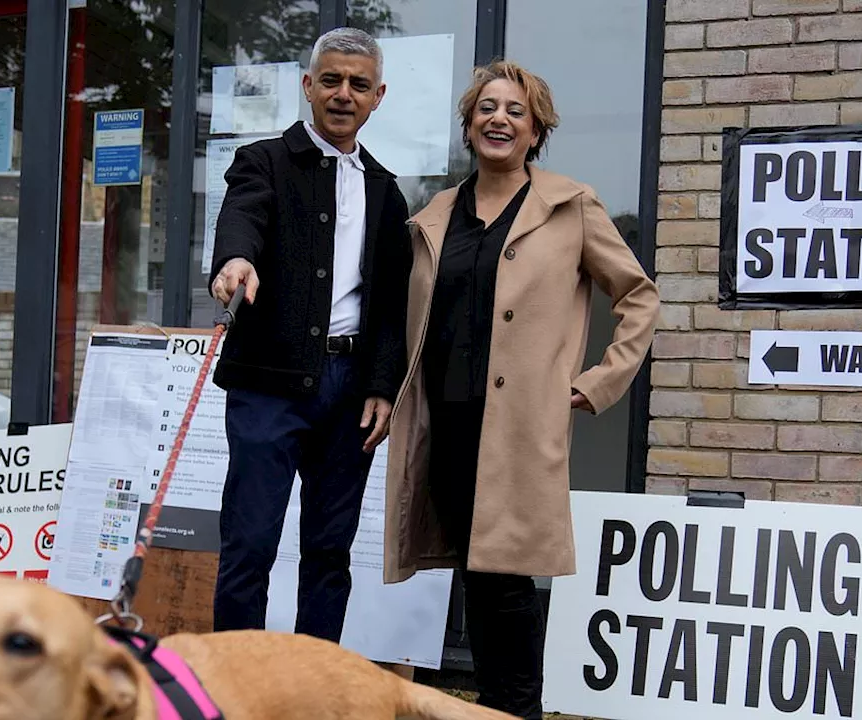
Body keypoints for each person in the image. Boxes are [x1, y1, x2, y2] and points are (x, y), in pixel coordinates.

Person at [382, 60, 661, 718]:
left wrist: (599, 382)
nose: (498, 119)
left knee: (505, 584)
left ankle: (516, 709)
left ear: (536, 131)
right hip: (446, 425)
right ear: (468, 125)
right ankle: (496, 706)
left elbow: (639, 297)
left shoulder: (571, 206)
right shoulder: (434, 218)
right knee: (475, 580)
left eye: (515, 110)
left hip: (516, 430)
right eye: (486, 108)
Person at [207, 28, 412, 643]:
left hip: (349, 393)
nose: (343, 94)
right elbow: (242, 213)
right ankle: (236, 685)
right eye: (331, 80)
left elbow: (391, 304)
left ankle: (313, 686)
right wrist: (235, 261)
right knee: (250, 542)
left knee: (329, 553)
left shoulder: (387, 190)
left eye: (357, 84)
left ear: (377, 96)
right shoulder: (262, 161)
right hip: (269, 381)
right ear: (308, 87)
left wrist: (381, 385)